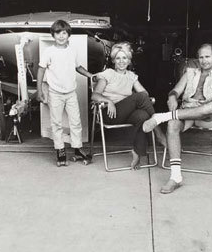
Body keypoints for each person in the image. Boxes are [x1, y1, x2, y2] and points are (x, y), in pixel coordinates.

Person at [142, 43, 212, 194]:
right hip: (187, 112)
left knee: (210, 106)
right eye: (201, 57)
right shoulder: (189, 72)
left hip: (208, 114)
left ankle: (160, 117)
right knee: (172, 124)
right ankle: (176, 177)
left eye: (207, 57)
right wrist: (172, 97)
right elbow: (176, 90)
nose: (204, 60)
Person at [91, 42, 167, 169]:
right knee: (141, 97)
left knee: (142, 115)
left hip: (125, 113)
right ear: (114, 60)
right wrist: (109, 101)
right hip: (109, 114)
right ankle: (158, 133)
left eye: (124, 58)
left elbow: (144, 93)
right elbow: (95, 95)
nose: (121, 61)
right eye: (118, 58)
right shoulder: (108, 74)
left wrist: (130, 97)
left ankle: (137, 153)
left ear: (129, 60)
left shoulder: (132, 76)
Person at [37, 19, 95, 167]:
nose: (61, 36)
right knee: (56, 123)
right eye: (58, 33)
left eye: (64, 33)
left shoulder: (72, 50)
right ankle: (60, 151)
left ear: (69, 34)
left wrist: (91, 76)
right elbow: (41, 70)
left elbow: (77, 67)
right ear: (53, 35)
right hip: (54, 93)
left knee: (76, 122)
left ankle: (77, 149)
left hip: (71, 93)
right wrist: (39, 91)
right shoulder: (48, 52)